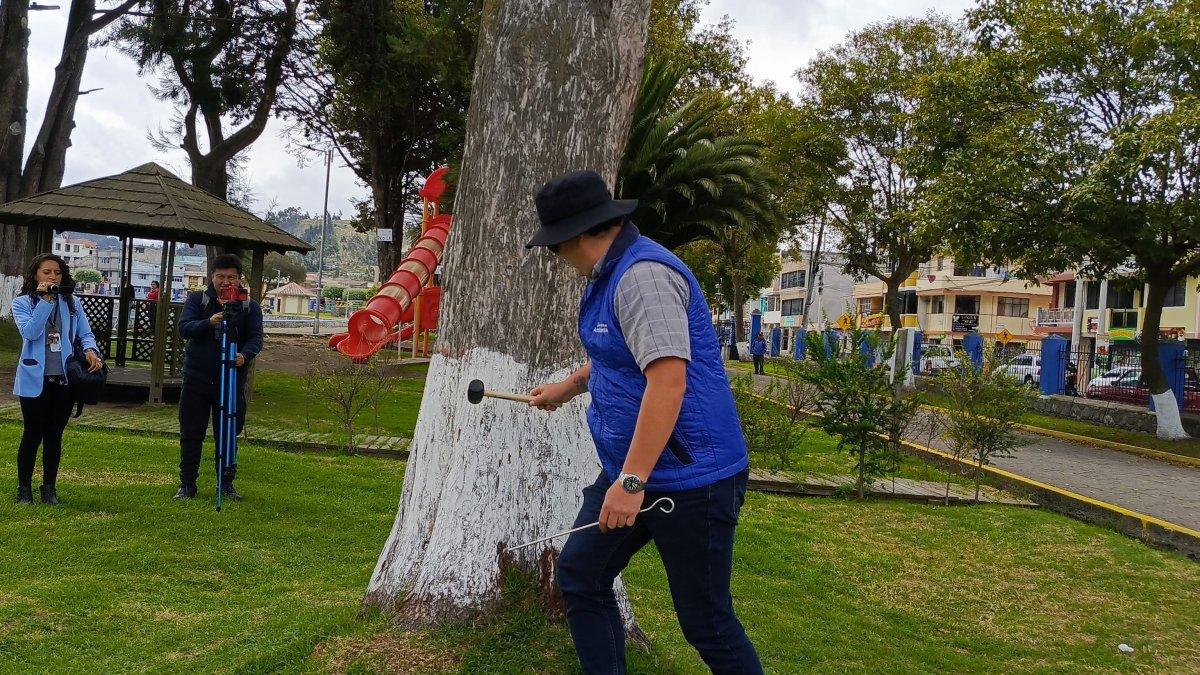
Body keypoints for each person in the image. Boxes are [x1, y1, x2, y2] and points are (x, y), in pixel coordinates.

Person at [526, 170, 761, 675]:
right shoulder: (611, 274)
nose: (556, 257)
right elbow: (619, 354)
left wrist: (631, 484)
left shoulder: (642, 278)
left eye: (553, 247)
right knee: (581, 576)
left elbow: (668, 383)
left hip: (691, 480)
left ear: (576, 236)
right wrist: (569, 385)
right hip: (631, 470)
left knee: (707, 623)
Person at [11, 254, 104, 505]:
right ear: (35, 275)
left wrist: (90, 350)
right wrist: (46, 300)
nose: (53, 277)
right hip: (35, 378)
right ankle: (24, 490)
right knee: (32, 433)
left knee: (54, 435)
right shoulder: (22, 303)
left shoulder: (72, 303)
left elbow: (85, 333)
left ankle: (49, 489)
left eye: (58, 273)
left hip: (64, 380)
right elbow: (30, 332)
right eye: (47, 272)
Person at [173, 254, 263, 501]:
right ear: (211, 277)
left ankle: (226, 483)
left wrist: (244, 355)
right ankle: (187, 484)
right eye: (220, 276)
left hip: (231, 379)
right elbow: (184, 328)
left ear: (239, 278)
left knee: (228, 432)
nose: (225, 282)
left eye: (231, 277)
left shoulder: (249, 306)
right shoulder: (198, 300)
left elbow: (256, 337)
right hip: (197, 379)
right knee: (191, 433)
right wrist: (209, 322)